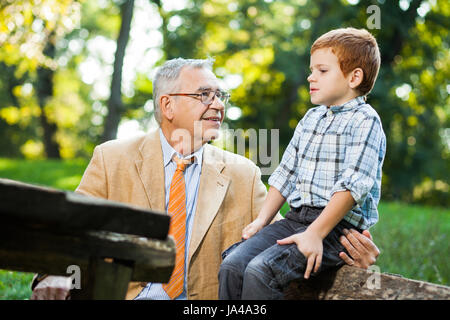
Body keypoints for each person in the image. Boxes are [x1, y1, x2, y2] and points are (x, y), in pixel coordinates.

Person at [31, 57, 380, 300]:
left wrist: (349, 257)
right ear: (167, 107)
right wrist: (57, 273)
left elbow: (287, 243)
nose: (217, 104)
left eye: (220, 96)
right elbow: (73, 232)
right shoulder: (112, 158)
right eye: (204, 95)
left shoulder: (242, 174)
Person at [219, 28, 386, 300]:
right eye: (312, 70)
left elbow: (352, 187)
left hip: (334, 228)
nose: (311, 77)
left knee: (261, 271)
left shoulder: (365, 121)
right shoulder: (311, 118)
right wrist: (261, 221)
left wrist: (315, 234)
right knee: (233, 265)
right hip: (296, 218)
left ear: (354, 77)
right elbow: (286, 173)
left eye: (322, 71)